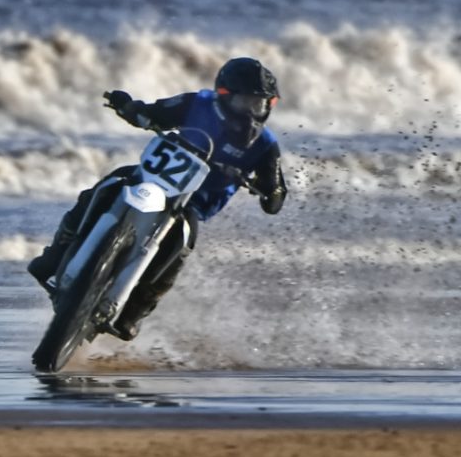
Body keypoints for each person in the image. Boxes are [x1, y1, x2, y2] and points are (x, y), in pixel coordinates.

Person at [26, 56, 288, 340]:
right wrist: (128, 107)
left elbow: (275, 196)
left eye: (258, 104)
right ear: (224, 95)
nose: (250, 110)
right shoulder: (197, 103)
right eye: (244, 102)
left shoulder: (266, 146)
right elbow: (153, 114)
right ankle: (55, 255)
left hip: (192, 205)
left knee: (182, 243)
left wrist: (267, 190)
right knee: (110, 183)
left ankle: (135, 311)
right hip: (152, 180)